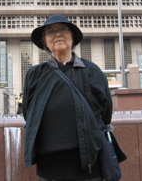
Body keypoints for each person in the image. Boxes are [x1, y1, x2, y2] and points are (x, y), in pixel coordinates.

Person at [23, 14, 112, 181]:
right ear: (45, 42)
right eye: (50, 32)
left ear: (73, 38)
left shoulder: (92, 70)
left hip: (89, 167)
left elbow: (105, 112)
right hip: (48, 169)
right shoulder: (35, 74)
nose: (57, 34)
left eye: (63, 29)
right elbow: (29, 112)